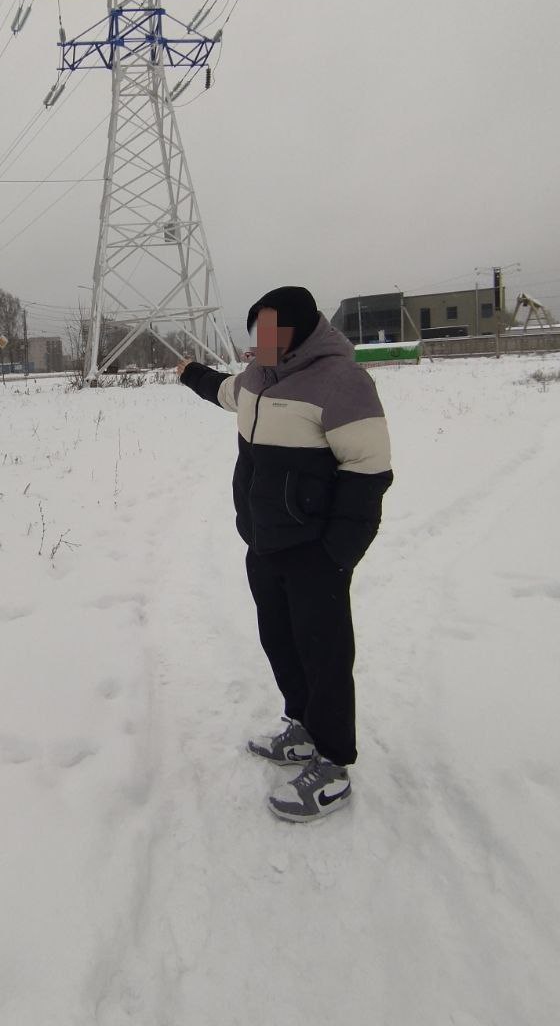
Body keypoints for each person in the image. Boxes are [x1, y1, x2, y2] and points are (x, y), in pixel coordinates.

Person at [177, 286, 392, 821]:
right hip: (264, 541)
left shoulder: (341, 381)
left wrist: (336, 553)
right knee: (280, 640)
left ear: (302, 329)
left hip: (314, 551)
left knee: (325, 653)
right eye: (258, 331)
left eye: (272, 331)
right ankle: (301, 727)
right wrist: (190, 374)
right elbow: (227, 391)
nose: (262, 341)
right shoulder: (258, 376)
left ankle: (334, 765)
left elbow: (369, 473)